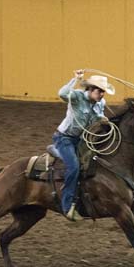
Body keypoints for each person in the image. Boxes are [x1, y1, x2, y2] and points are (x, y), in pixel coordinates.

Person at [53, 70, 115, 221]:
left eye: (103, 92)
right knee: (73, 167)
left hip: (82, 140)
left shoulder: (101, 103)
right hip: (64, 138)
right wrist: (75, 79)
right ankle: (67, 207)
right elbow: (62, 93)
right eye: (99, 91)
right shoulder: (76, 97)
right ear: (90, 89)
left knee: (95, 162)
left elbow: (98, 117)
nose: (101, 94)